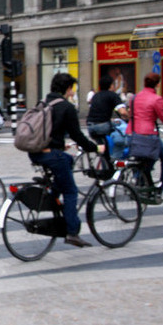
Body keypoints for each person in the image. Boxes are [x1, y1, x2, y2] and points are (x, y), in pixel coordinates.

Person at [28, 73, 105, 248]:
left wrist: (61, 146)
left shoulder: (43, 103)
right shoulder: (66, 107)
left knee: (68, 160)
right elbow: (77, 135)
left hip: (36, 153)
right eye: (72, 88)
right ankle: (72, 232)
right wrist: (94, 148)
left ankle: (52, 196)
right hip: (51, 155)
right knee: (71, 192)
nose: (73, 92)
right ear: (68, 89)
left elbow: (50, 131)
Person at [126, 72, 163, 193]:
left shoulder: (134, 97)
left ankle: (142, 182)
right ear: (157, 84)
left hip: (132, 134)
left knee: (144, 162)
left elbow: (131, 114)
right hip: (148, 136)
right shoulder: (156, 99)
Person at [86, 75, 129, 155]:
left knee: (103, 147)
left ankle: (105, 162)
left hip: (90, 126)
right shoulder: (113, 95)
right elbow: (123, 112)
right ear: (111, 85)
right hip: (102, 126)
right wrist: (130, 118)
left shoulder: (96, 95)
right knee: (120, 136)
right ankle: (116, 157)